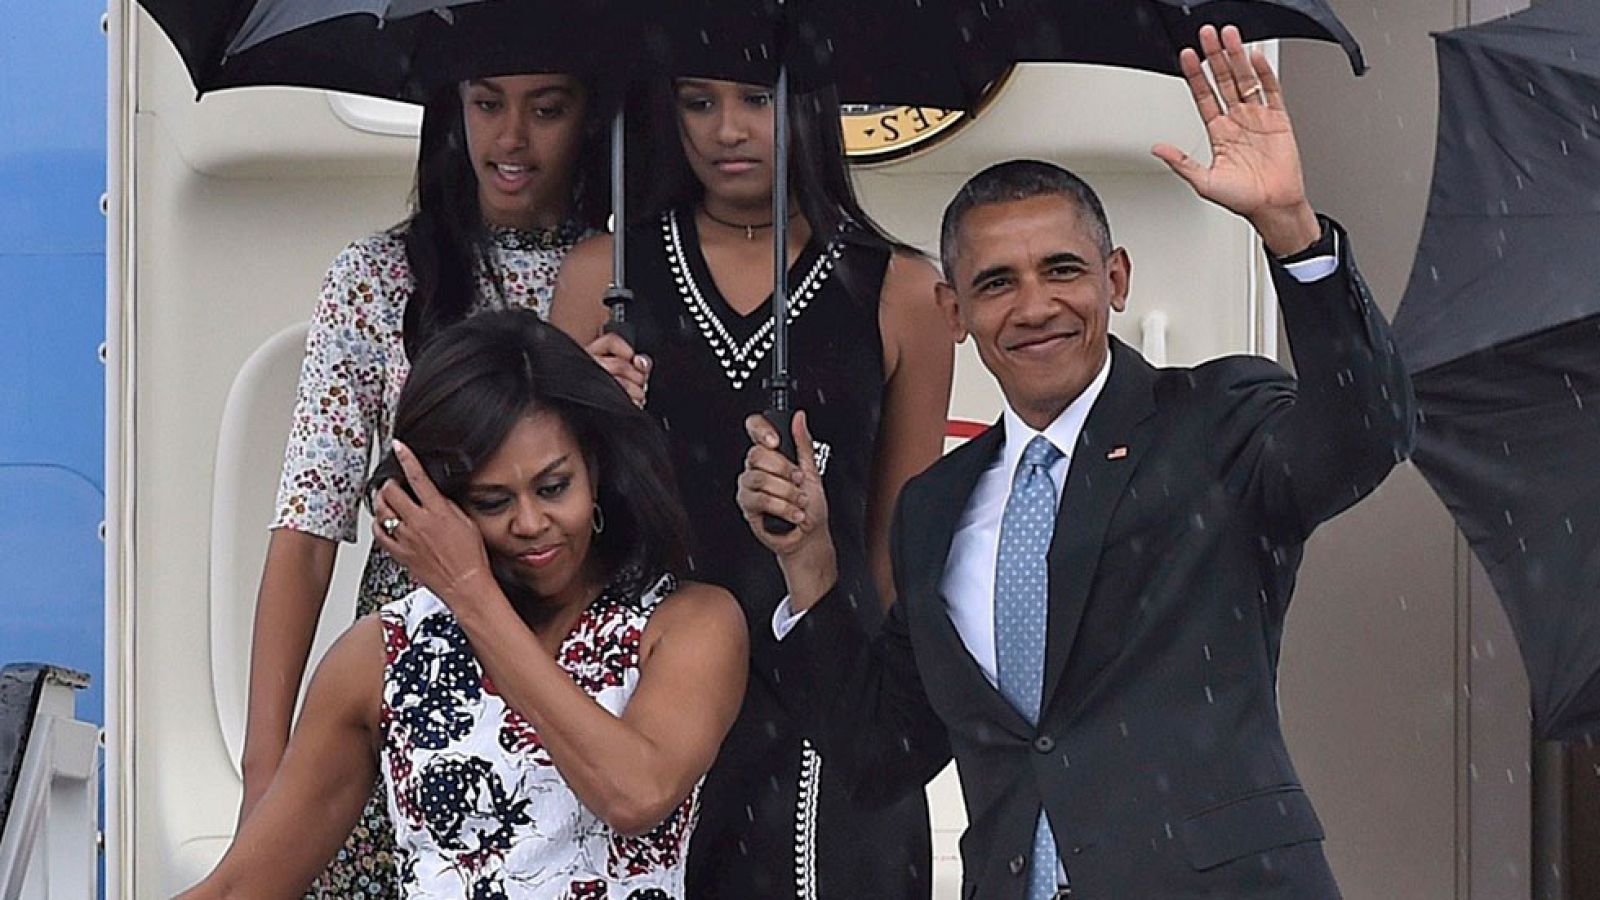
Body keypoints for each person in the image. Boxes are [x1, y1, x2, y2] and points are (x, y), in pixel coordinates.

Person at [736, 25, 1416, 899]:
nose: (1035, 306)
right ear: (953, 310)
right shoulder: (935, 507)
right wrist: (811, 568)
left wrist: (1290, 230)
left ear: (1116, 279)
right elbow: (881, 756)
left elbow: (1368, 434)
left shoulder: (1213, 421)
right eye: (995, 282)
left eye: (1062, 270)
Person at [183, 310, 748, 899]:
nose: (531, 523)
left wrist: (471, 591)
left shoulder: (688, 623)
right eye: (492, 501)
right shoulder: (382, 655)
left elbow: (635, 793)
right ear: (440, 501)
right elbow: (239, 890)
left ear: (596, 469)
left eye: (554, 487)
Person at [550, 75, 954, 897]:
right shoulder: (602, 276)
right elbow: (550, 524)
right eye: (698, 102)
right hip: (645, 692)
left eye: (755, 100)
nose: (726, 129)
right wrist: (585, 417)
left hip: (829, 699)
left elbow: (899, 544)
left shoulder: (903, 288)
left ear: (808, 104)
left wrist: (847, 682)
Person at [244, 71, 612, 896]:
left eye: (547, 108)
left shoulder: (634, 279)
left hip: (578, 670)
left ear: (593, 118)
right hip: (405, 668)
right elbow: (308, 527)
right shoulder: (377, 276)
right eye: (486, 104)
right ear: (452, 114)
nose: (511, 138)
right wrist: (265, 764)